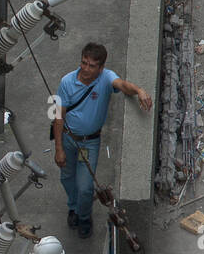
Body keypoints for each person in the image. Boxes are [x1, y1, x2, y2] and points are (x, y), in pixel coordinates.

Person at [52, 42, 152, 238]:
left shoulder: (106, 78)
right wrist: (58, 148)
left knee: (85, 186)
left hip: (89, 143)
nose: (86, 69)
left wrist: (139, 91)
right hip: (68, 139)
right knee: (66, 177)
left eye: (91, 65)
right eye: (83, 63)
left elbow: (123, 85)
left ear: (101, 67)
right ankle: (73, 207)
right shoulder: (66, 82)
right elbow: (58, 116)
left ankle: (83, 216)